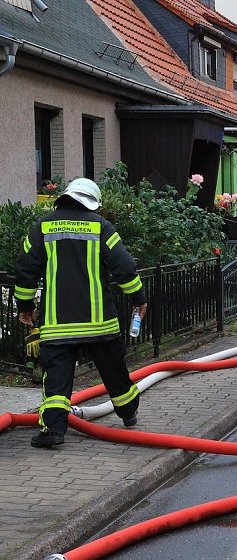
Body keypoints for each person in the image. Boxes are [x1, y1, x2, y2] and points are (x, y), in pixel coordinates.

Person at [14, 178, 148, 448]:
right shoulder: (101, 226)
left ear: (64, 198)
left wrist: (25, 307)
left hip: (58, 325)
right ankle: (128, 413)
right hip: (100, 325)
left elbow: (26, 269)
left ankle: (53, 431)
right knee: (115, 374)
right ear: (92, 203)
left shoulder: (43, 227)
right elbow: (124, 265)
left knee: (57, 381)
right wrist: (138, 298)